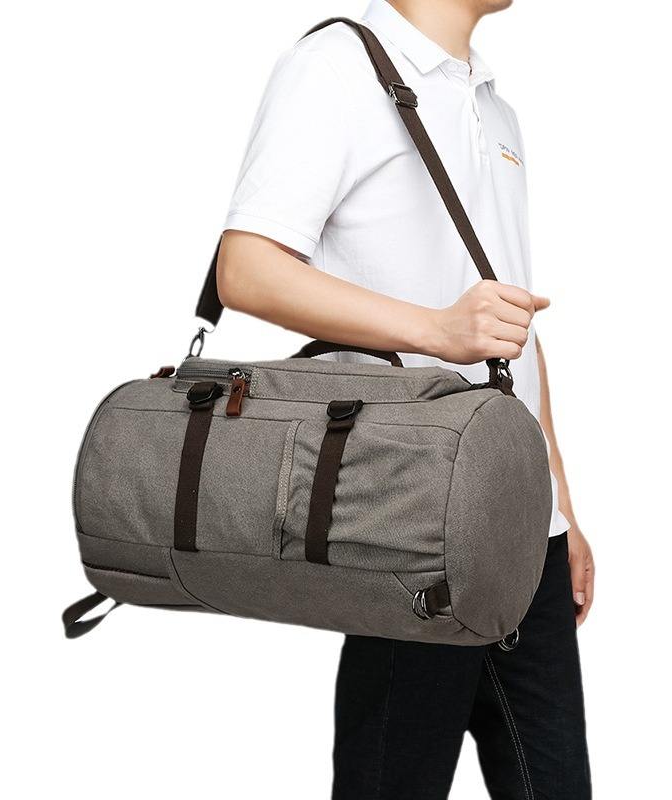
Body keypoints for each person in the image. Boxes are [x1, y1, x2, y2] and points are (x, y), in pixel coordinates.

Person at [216, 1, 594, 796]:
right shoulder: (335, 67)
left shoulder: (496, 108)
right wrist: (437, 330)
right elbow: (245, 269)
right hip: (408, 520)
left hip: (524, 532)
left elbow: (513, 330)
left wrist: (561, 507)